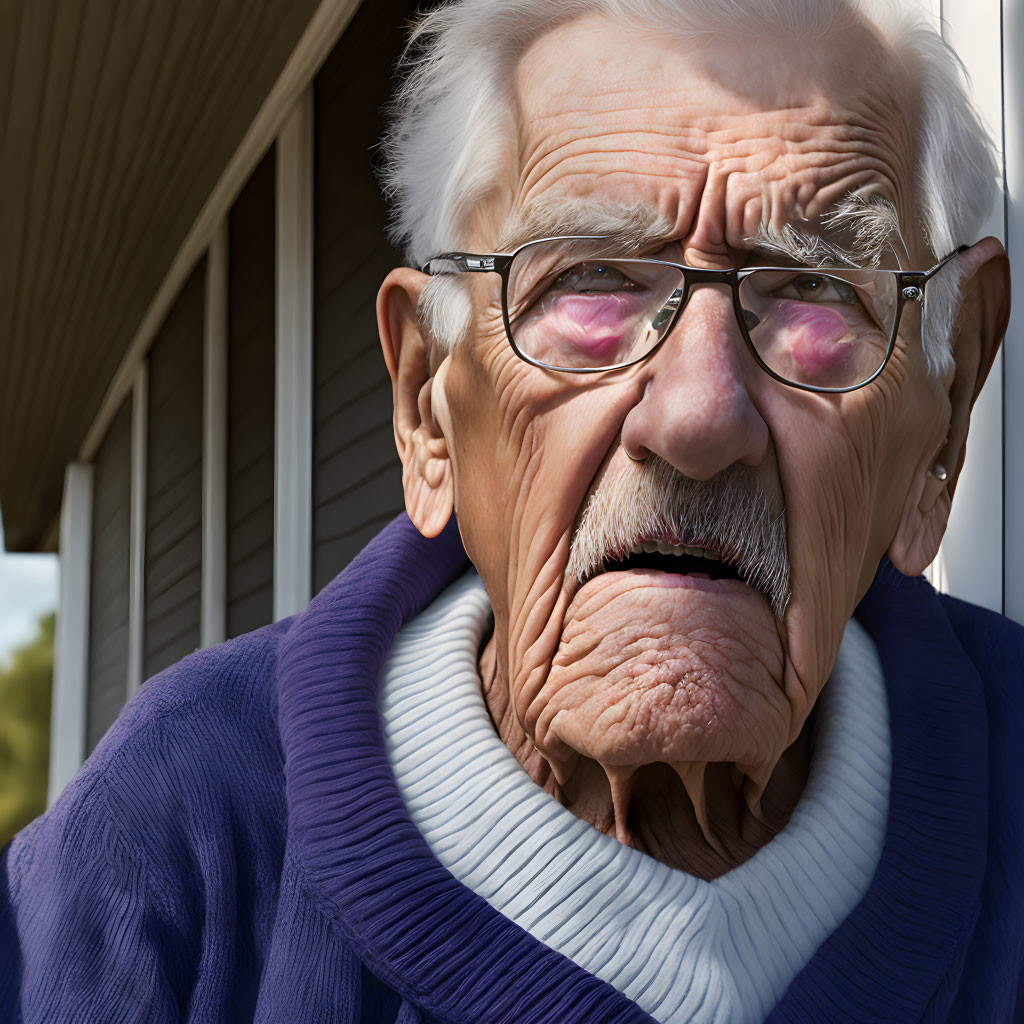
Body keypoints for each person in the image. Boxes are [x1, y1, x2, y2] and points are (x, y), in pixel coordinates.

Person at [2, 0, 1021, 1021]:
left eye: (811, 287)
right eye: (589, 281)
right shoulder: (175, 835)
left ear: (943, 422)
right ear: (425, 405)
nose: (700, 414)